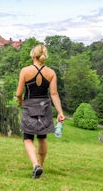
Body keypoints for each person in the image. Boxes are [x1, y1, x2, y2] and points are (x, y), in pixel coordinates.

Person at [16, 44, 64, 179]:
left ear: (32, 56)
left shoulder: (25, 71)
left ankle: (35, 164)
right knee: (42, 137)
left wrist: (20, 101)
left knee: (28, 138)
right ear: (44, 57)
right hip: (45, 106)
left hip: (29, 105)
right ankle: (41, 166)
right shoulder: (51, 73)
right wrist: (60, 112)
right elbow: (54, 94)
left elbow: (19, 93)